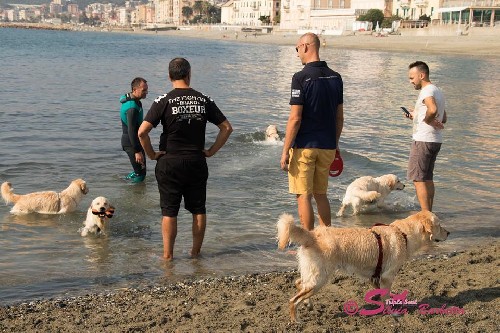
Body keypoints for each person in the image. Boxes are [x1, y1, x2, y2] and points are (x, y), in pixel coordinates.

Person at [138, 58, 233, 260]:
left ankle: (168, 256)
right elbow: (226, 128)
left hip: (169, 162)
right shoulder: (203, 99)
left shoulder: (163, 100)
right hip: (196, 161)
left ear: (169, 76)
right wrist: (211, 151)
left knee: (169, 211)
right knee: (198, 208)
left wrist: (152, 154)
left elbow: (142, 133)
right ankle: (195, 253)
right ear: (189, 74)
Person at [280, 32, 344, 231]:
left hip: (305, 147)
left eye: (297, 49)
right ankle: (328, 239)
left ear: (306, 47)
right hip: (327, 146)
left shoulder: (300, 78)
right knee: (320, 194)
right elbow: (339, 118)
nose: (297, 53)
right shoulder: (336, 77)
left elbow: (295, 118)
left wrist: (285, 151)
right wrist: (335, 144)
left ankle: (308, 245)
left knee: (303, 195)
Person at [406, 61, 447, 212]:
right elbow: (443, 118)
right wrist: (416, 116)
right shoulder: (438, 91)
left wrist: (427, 120)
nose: (411, 81)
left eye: (412, 78)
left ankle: (425, 216)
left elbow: (433, 109)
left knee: (418, 179)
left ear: (421, 75)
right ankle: (430, 214)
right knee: (428, 179)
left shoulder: (426, 91)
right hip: (435, 140)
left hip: (423, 140)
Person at [120, 77, 148, 183]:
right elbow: (131, 130)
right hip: (131, 142)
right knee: (140, 174)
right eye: (144, 90)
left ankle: (124, 181)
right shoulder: (132, 108)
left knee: (140, 171)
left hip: (134, 141)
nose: (146, 92)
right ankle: (133, 195)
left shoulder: (134, 100)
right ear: (135, 90)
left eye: (147, 90)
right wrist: (137, 151)